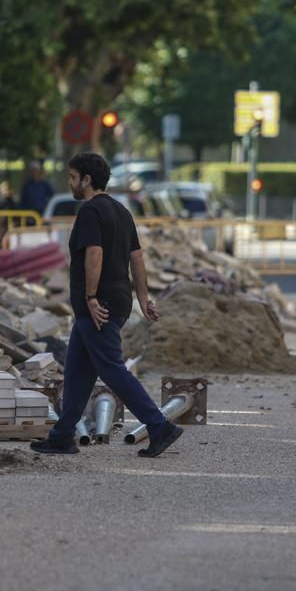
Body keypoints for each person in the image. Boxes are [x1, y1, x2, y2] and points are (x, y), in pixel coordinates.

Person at [31, 152, 183, 457]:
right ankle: (62, 436)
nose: (70, 183)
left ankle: (158, 426)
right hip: (118, 299)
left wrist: (90, 297)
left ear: (87, 180)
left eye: (73, 178)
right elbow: (136, 257)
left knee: (112, 370)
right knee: (76, 371)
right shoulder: (121, 211)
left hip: (98, 304)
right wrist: (142, 298)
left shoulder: (91, 212)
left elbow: (94, 254)